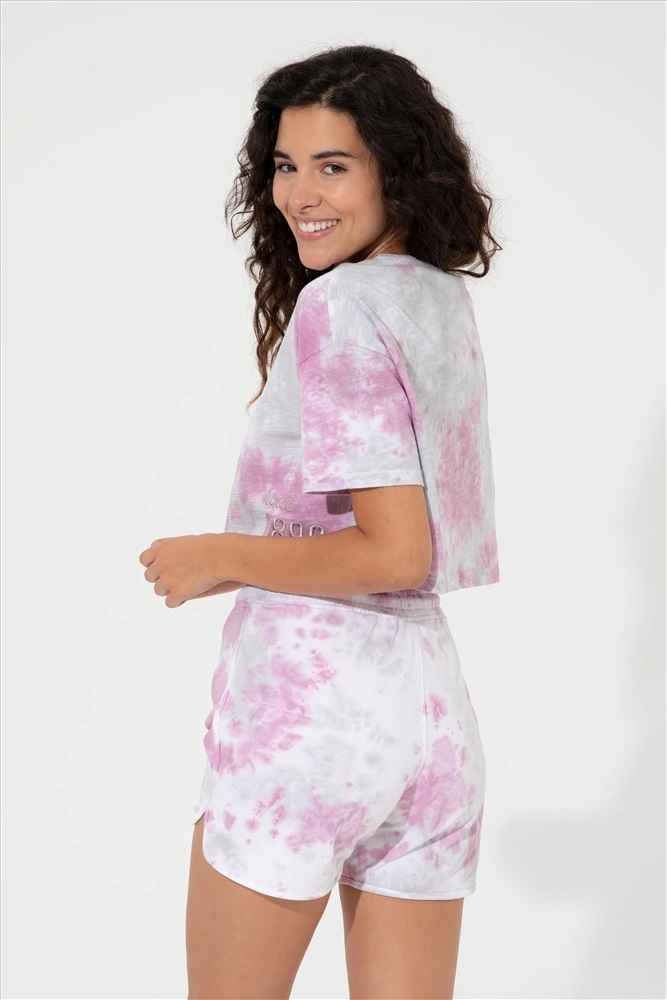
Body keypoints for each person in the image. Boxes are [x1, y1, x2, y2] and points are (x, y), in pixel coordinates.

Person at [139, 43, 502, 1000]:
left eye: (332, 166)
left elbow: (395, 549)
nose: (300, 194)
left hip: (310, 715)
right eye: (285, 166)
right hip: (430, 720)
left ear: (396, 168)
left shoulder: (340, 306)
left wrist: (215, 554)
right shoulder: (435, 298)